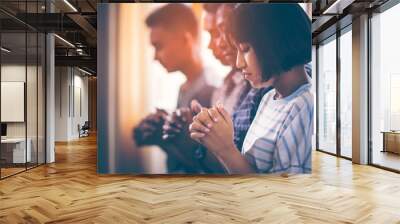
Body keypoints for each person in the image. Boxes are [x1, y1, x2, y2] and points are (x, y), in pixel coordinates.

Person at [189, 4, 313, 174]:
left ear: (274, 42)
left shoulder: (304, 107)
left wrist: (226, 149)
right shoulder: (270, 98)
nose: (239, 63)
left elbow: (282, 195)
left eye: (245, 50)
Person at [133, 4, 215, 173]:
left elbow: (210, 168)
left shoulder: (212, 91)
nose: (155, 57)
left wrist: (164, 138)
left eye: (158, 46)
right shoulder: (184, 87)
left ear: (185, 40)